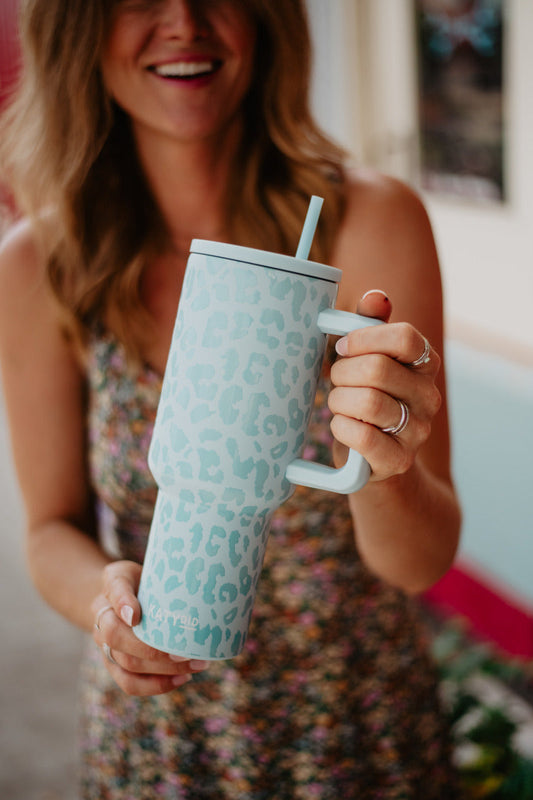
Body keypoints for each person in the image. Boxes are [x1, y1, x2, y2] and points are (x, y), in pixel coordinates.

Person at [0, 1, 462, 797]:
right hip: (165, 736)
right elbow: (49, 528)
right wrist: (107, 606)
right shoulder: (41, 263)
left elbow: (417, 566)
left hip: (351, 722)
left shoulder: (368, 222)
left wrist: (384, 464)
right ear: (78, 28)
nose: (184, 21)